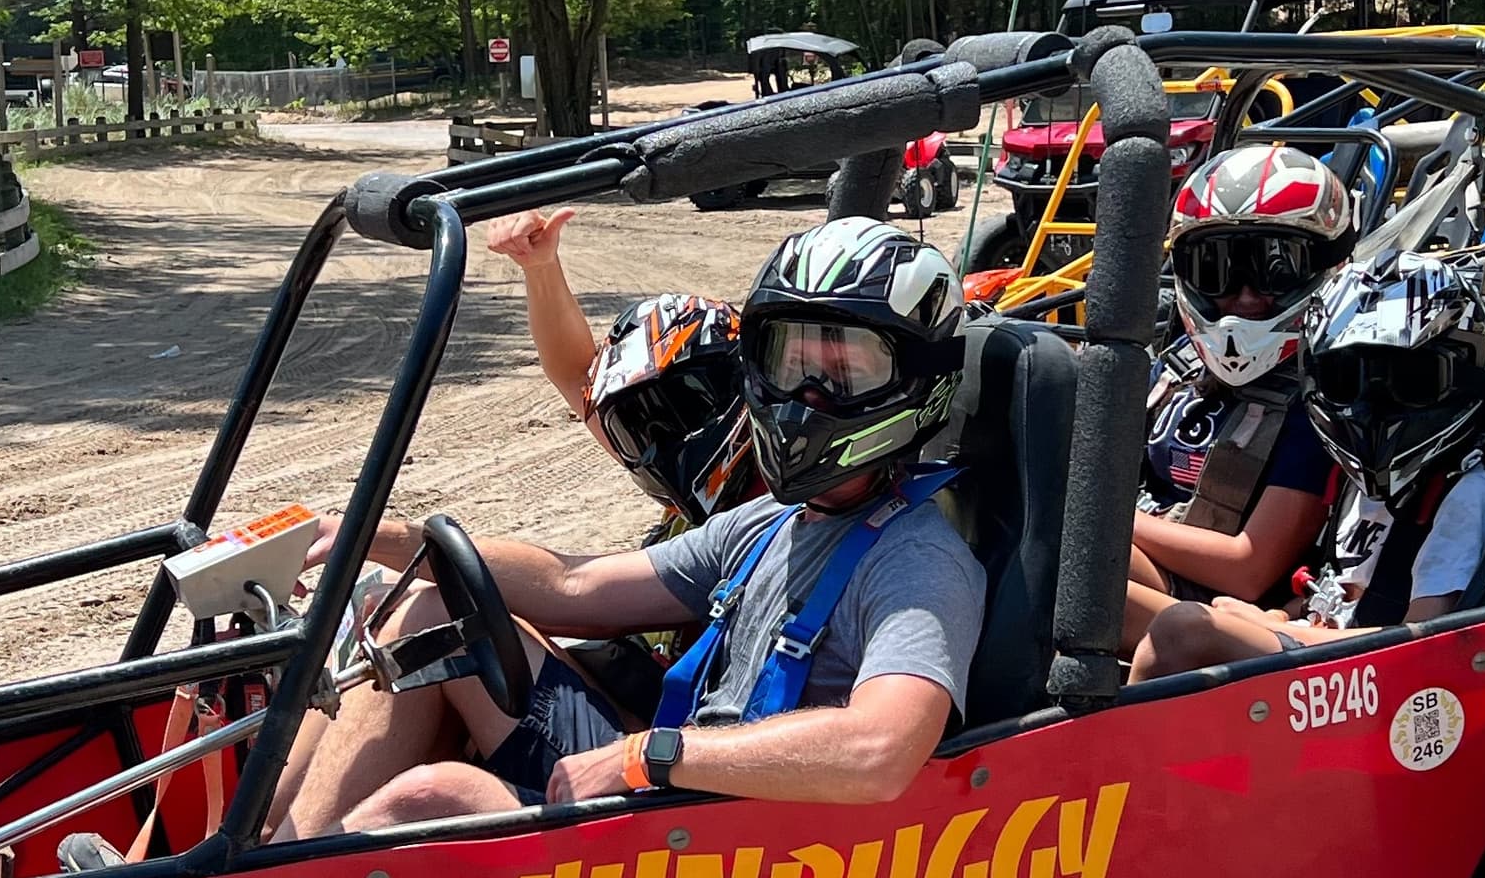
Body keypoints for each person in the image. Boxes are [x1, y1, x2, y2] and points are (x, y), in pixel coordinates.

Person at [277, 218, 987, 836]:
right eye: (794, 357)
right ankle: (251, 854)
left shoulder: (918, 561)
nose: (808, 393)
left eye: (846, 368)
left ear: (918, 385)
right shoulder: (772, 521)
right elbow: (573, 584)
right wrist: (381, 535)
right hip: (680, 793)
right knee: (435, 617)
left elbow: (881, 751)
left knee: (436, 796)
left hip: (745, 841)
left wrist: (647, 756)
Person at [1129, 258, 1485, 683]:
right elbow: (1334, 587)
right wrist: (1280, 616)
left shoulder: (1464, 492)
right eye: (1347, 380)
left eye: (1412, 380)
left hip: (1372, 683)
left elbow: (1426, 639)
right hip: (1323, 655)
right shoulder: (1356, 482)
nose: (1373, 407)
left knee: (1183, 632)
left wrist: (1266, 628)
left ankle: (1110, 750)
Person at [1123, 144, 1351, 641]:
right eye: (1217, 268)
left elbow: (1249, 568)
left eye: (1276, 267)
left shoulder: (1318, 403)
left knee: (1069, 555)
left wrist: (1103, 516)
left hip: (1218, 609)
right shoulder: (1180, 365)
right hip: (1142, 564)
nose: (1246, 296)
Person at [484, 210, 755, 531]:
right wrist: (539, 267)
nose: (657, 444)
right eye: (633, 425)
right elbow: (576, 376)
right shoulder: (698, 507)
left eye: (681, 410)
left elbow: (573, 375)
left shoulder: (800, 501)